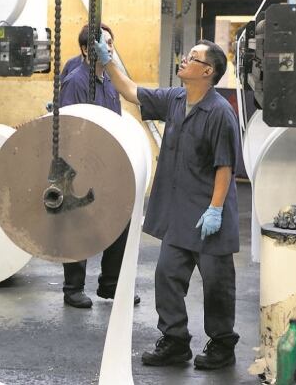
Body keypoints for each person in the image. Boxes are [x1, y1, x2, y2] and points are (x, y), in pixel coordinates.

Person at [96, 36, 240, 369]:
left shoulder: (220, 113)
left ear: (208, 72)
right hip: (178, 215)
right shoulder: (175, 99)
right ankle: (175, 341)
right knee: (167, 277)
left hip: (207, 214)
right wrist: (108, 60)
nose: (185, 61)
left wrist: (215, 209)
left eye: (193, 58)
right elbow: (131, 91)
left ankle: (222, 345)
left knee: (217, 286)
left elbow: (225, 167)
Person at [58, 24, 140, 309]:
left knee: (121, 219)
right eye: (102, 45)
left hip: (107, 161)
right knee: (78, 223)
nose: (109, 49)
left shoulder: (109, 81)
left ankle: (111, 284)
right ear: (85, 49)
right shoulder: (77, 81)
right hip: (78, 164)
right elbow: (68, 126)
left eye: (111, 44)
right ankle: (73, 289)